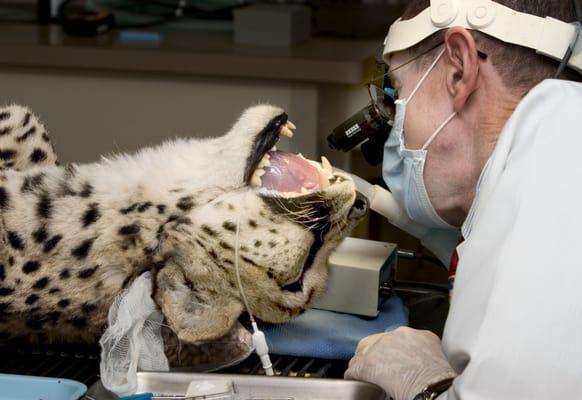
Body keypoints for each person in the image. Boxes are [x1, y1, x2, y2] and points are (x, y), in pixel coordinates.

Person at [344, 1, 582, 399]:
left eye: (396, 95)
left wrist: (429, 386)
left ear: (459, 68)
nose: (398, 131)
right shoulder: (552, 150)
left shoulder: (558, 152)